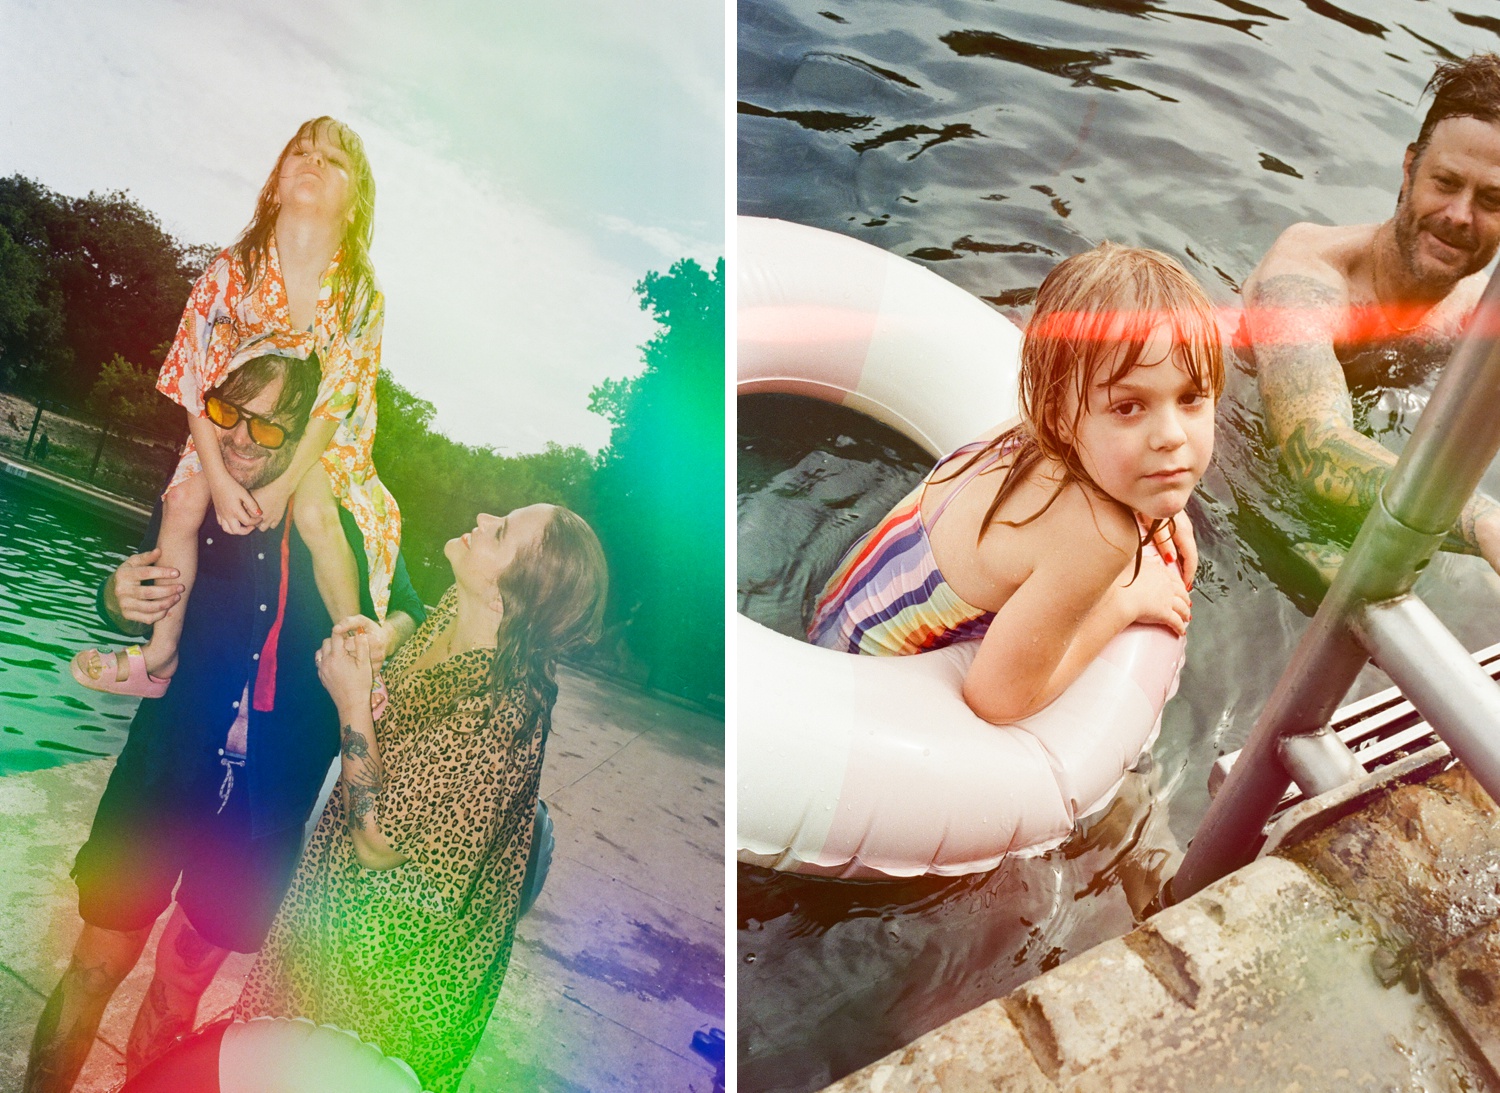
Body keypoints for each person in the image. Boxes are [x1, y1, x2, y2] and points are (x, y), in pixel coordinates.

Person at [23, 353, 425, 1093]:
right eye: (225, 413)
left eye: (266, 423)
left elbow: (407, 606)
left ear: (308, 432)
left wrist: (381, 635)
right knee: (91, 968)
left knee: (178, 994)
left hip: (262, 808)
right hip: (160, 773)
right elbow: (131, 595)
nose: (238, 439)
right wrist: (116, 596)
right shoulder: (193, 495)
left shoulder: (343, 517)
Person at [234, 503, 608, 1093]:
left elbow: (377, 845)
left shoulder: (499, 712)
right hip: (335, 918)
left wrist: (352, 705)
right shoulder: (456, 613)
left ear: (509, 596)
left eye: (502, 531)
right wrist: (373, 661)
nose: (483, 517)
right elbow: (404, 728)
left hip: (394, 973)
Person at [808, 242, 1219, 723]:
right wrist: (1125, 601)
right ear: (1061, 419)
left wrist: (1159, 503)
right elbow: (997, 702)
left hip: (833, 614)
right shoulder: (1099, 535)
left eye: (1191, 398)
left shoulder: (1025, 435)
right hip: (859, 682)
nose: (1170, 437)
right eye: (1128, 407)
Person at [71, 115, 397, 698]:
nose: (314, 162)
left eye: (334, 161)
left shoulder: (359, 292)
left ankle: (358, 665)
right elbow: (194, 377)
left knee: (320, 515)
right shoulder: (234, 270)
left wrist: (285, 485)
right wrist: (217, 478)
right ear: (276, 182)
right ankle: (161, 653)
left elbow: (337, 399)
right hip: (227, 415)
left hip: (313, 431)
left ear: (353, 205)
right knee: (182, 500)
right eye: (302, 151)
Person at [1243, 54, 1500, 572]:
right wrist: (1485, 522)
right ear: (1409, 169)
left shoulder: (1476, 307)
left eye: (1492, 199)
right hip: (1243, 480)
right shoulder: (1307, 276)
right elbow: (1312, 450)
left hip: (1387, 491)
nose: (1458, 215)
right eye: (1446, 182)